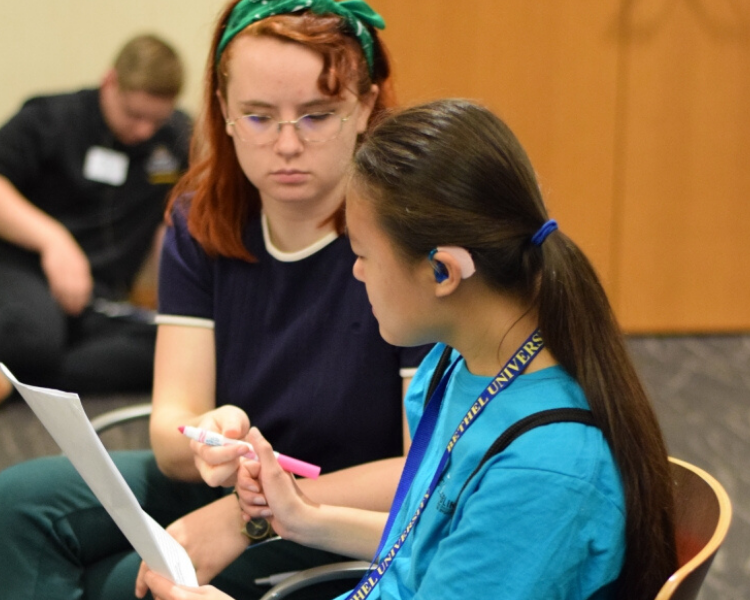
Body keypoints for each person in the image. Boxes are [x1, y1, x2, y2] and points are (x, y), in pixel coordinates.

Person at [142, 99, 679, 600]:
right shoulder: (457, 363)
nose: (356, 272)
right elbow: (432, 538)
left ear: (442, 271)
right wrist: (304, 517)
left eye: (364, 255)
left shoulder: (541, 473)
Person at [0, 2, 429, 599]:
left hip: (344, 504)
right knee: (14, 509)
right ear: (223, 111)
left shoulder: (406, 235)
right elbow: (173, 434)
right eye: (258, 117)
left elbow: (423, 470)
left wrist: (246, 516)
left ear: (366, 109)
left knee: (126, 583)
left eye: (317, 115)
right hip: (233, 485)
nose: (286, 144)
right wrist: (206, 437)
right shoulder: (202, 218)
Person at [0, 34, 191, 403]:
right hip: (25, 274)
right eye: (134, 115)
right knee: (32, 334)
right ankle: (33, 365)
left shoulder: (175, 138)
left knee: (171, 349)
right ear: (110, 82)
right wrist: (53, 241)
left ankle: (22, 382)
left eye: (156, 120)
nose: (144, 131)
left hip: (98, 297)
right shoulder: (49, 119)